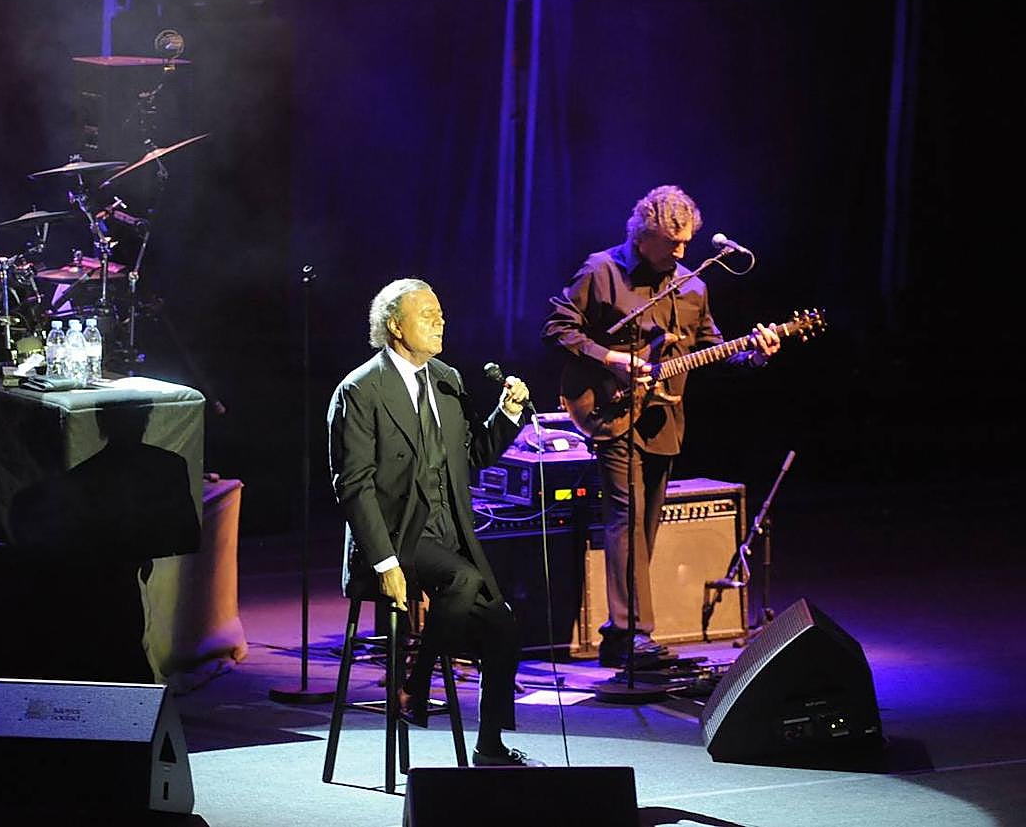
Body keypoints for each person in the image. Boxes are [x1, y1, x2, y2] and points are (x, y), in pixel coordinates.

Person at [542, 184, 781, 668]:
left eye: (686, 243)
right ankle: (634, 636)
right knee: (625, 517)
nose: (681, 251)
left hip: (663, 417)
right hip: (608, 410)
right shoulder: (601, 271)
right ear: (642, 235)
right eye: (671, 243)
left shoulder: (694, 286)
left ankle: (617, 636)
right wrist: (610, 358)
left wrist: (753, 352)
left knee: (645, 525)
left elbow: (713, 349)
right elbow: (557, 329)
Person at [327, 277, 543, 767]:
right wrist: (384, 562)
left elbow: (471, 457)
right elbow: (353, 485)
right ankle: (416, 683)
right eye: (427, 314)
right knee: (462, 578)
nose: (440, 321)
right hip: (393, 539)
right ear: (394, 325)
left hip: (448, 534)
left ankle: (489, 746)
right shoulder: (360, 390)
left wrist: (505, 415)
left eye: (441, 313)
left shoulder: (447, 379)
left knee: (503, 626)